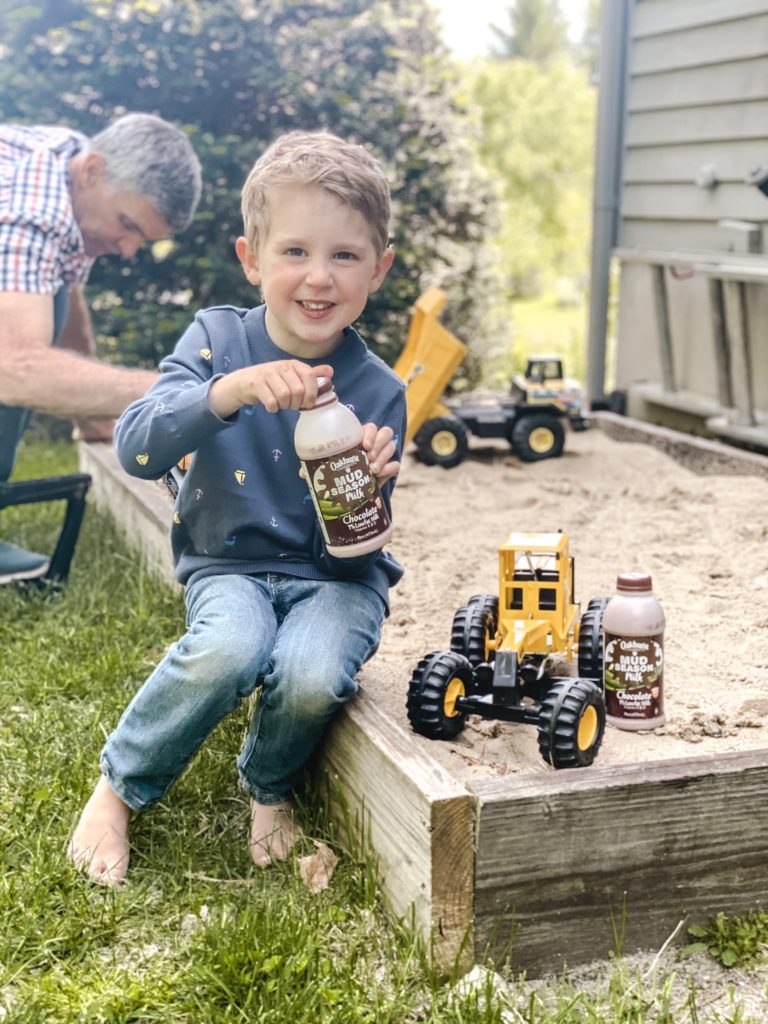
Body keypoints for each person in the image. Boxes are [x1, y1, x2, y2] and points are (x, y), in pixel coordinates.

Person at [68, 130, 406, 884]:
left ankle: (268, 793)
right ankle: (119, 788)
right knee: (230, 648)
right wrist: (228, 392)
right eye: (294, 252)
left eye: (345, 256)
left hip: (336, 582)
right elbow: (136, 447)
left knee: (314, 670)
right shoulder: (218, 341)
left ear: (378, 269)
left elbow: (353, 554)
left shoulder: (380, 390)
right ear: (251, 258)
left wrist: (366, 495)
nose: (319, 278)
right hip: (231, 565)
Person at [0, 112, 202, 582]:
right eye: (127, 223)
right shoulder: (32, 207)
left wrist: (92, 416)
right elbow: (13, 367)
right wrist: (180, 393)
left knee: (37, 307)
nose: (128, 249)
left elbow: (63, 293)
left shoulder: (71, 166)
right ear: (92, 172)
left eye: (142, 239)